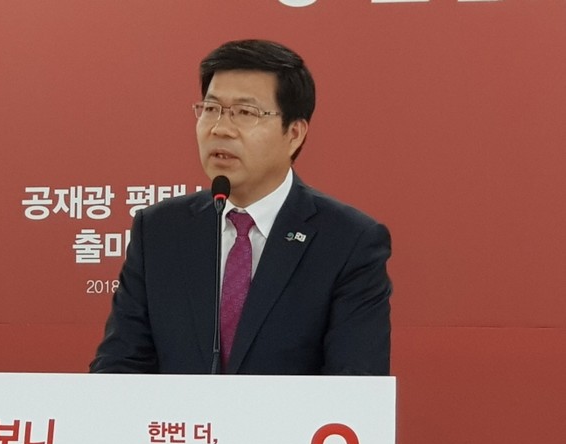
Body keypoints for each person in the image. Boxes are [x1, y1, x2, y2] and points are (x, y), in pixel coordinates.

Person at [90, 39, 391, 375]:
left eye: (246, 113)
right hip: (177, 414)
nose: (220, 128)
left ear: (294, 133)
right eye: (211, 109)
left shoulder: (348, 241)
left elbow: (354, 383)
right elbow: (120, 366)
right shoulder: (160, 230)